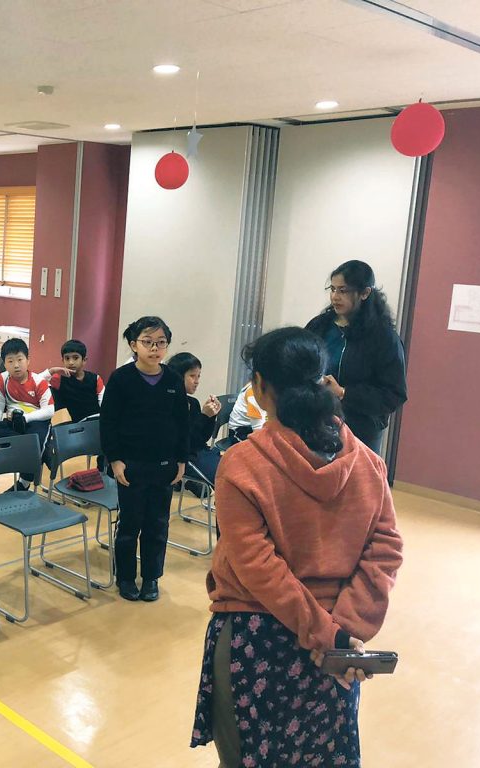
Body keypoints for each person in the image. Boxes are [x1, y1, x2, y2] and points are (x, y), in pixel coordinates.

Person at [189, 327, 403, 767]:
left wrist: (324, 634)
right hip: (338, 645)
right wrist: (342, 633)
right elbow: (386, 549)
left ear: (261, 387)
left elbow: (255, 565)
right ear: (322, 381)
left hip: (256, 636)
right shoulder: (366, 462)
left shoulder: (243, 465)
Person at [100, 316, 188, 603]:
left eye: (161, 343)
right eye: (147, 342)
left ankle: (151, 577)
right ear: (133, 345)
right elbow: (109, 423)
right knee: (130, 523)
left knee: (157, 523)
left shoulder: (173, 379)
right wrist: (115, 459)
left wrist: (181, 459)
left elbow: (182, 423)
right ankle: (126, 576)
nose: (155, 348)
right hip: (131, 465)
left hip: (164, 465)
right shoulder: (121, 379)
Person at [305, 259, 407, 453]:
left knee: (357, 481)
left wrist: (343, 393)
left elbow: (394, 394)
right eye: (333, 289)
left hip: (361, 429)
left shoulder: (384, 338)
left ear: (365, 293)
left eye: (343, 291)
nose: (335, 297)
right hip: (317, 421)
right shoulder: (319, 326)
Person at [0, 338, 55, 491]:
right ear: (4, 364)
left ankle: (24, 481)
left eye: (20, 359)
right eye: (10, 361)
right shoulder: (2, 379)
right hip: (14, 423)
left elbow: (49, 410)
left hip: (37, 421)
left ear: (28, 360)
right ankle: (43, 451)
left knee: (35, 441)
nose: (16, 365)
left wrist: (27, 417)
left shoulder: (39, 382)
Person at [167, 352, 223, 484]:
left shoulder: (193, 403)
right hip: (180, 458)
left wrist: (211, 416)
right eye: (192, 376)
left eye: (198, 376)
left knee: (231, 468)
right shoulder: (168, 404)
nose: (197, 381)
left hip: (197, 453)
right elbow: (182, 442)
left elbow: (201, 438)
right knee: (223, 478)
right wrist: (204, 416)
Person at [39, 339, 105, 423]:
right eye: (67, 358)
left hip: (96, 421)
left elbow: (104, 404)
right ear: (63, 360)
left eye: (75, 358)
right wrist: (52, 371)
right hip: (74, 426)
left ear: (84, 360)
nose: (71, 362)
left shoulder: (95, 378)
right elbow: (36, 382)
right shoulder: (58, 378)